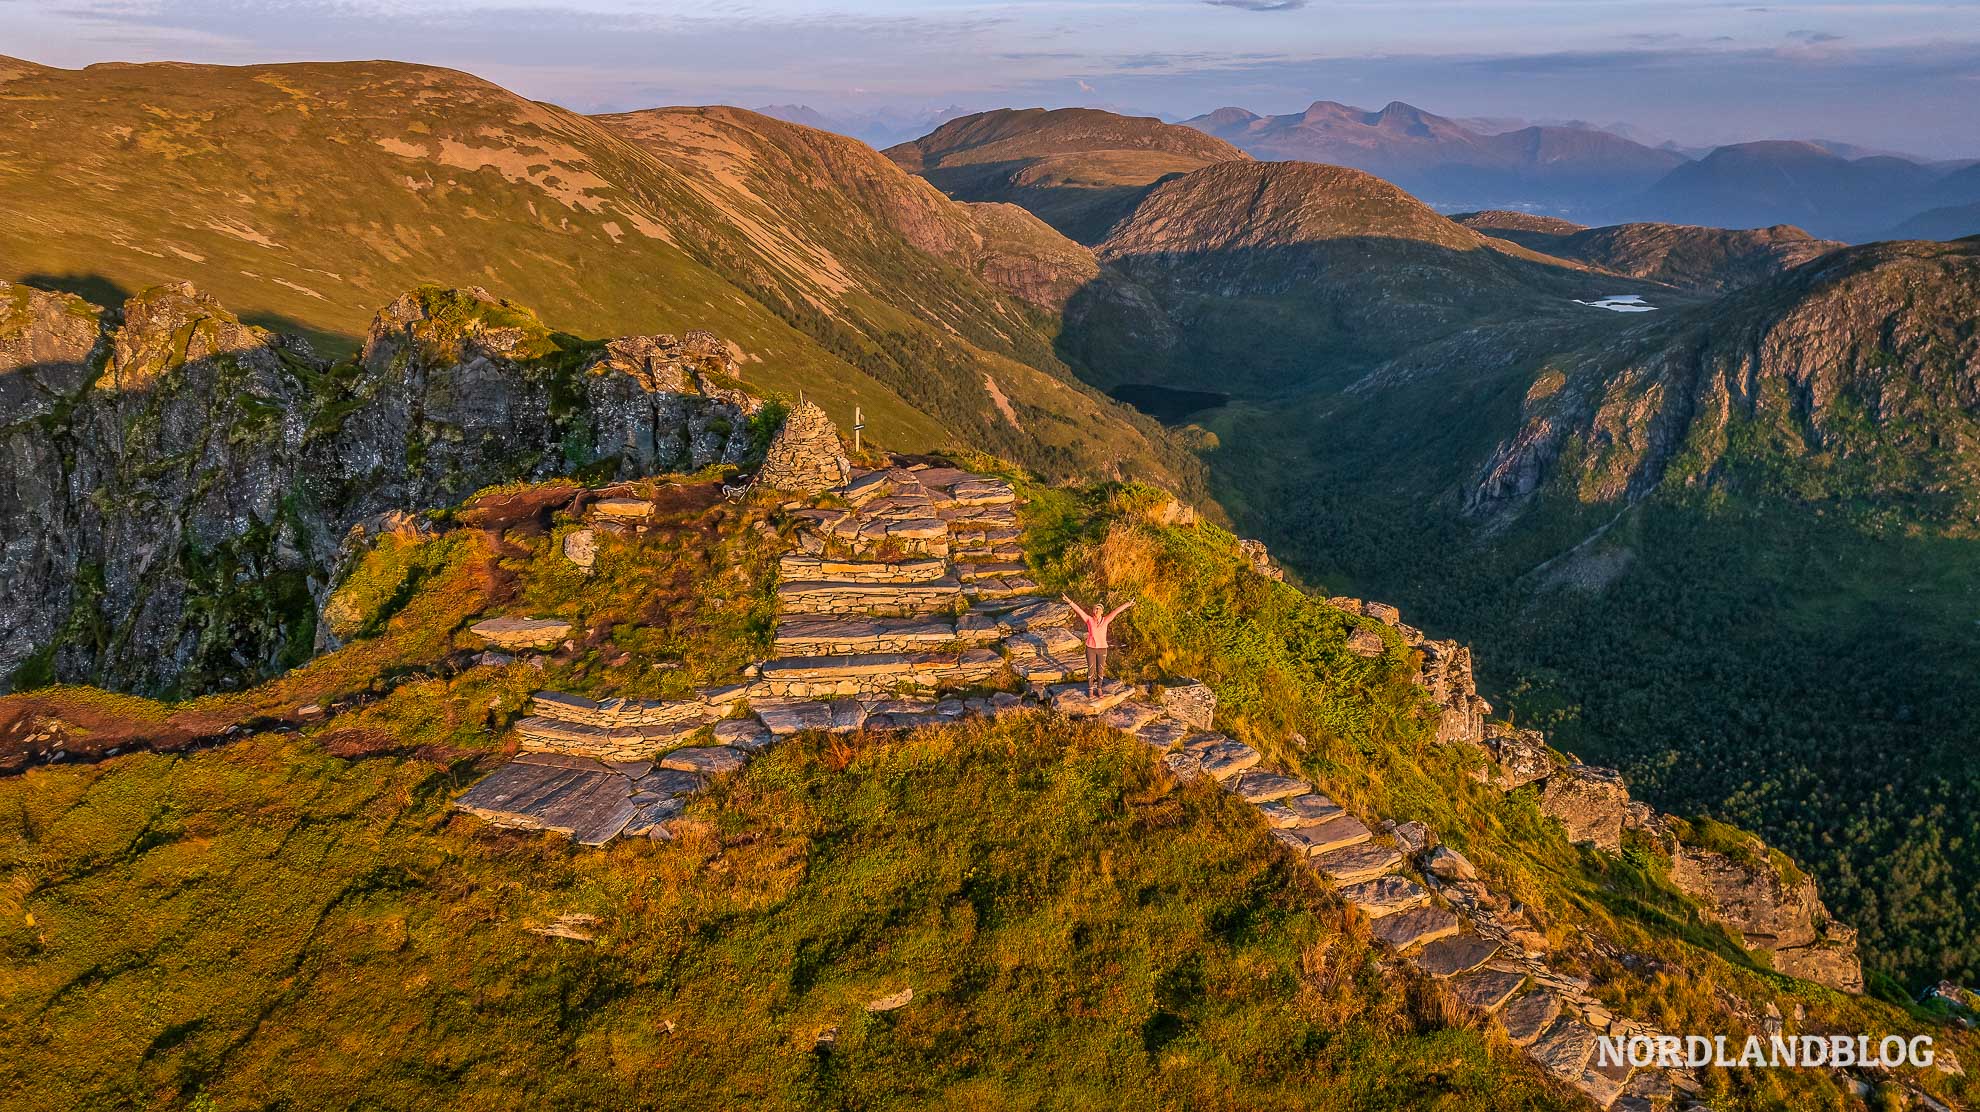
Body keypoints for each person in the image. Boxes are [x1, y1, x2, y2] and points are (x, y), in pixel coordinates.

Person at [1063, 594, 1134, 697]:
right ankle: (1090, 689)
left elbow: (1116, 611)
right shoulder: (1089, 620)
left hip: (1102, 649)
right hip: (1090, 648)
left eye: (1099, 609)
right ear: (1093, 611)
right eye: (1095, 609)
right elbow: (1078, 610)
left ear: (1102, 611)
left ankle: (1099, 688)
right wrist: (1069, 601)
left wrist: (1128, 604)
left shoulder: (1106, 620)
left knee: (1100, 669)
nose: (1097, 611)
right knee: (1091, 669)